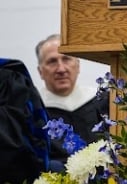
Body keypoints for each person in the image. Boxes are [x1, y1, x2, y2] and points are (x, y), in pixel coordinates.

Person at [35, 34, 109, 167]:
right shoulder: (33, 111)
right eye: (52, 61)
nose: (61, 69)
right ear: (40, 71)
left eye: (66, 59)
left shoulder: (101, 101)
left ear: (78, 66)